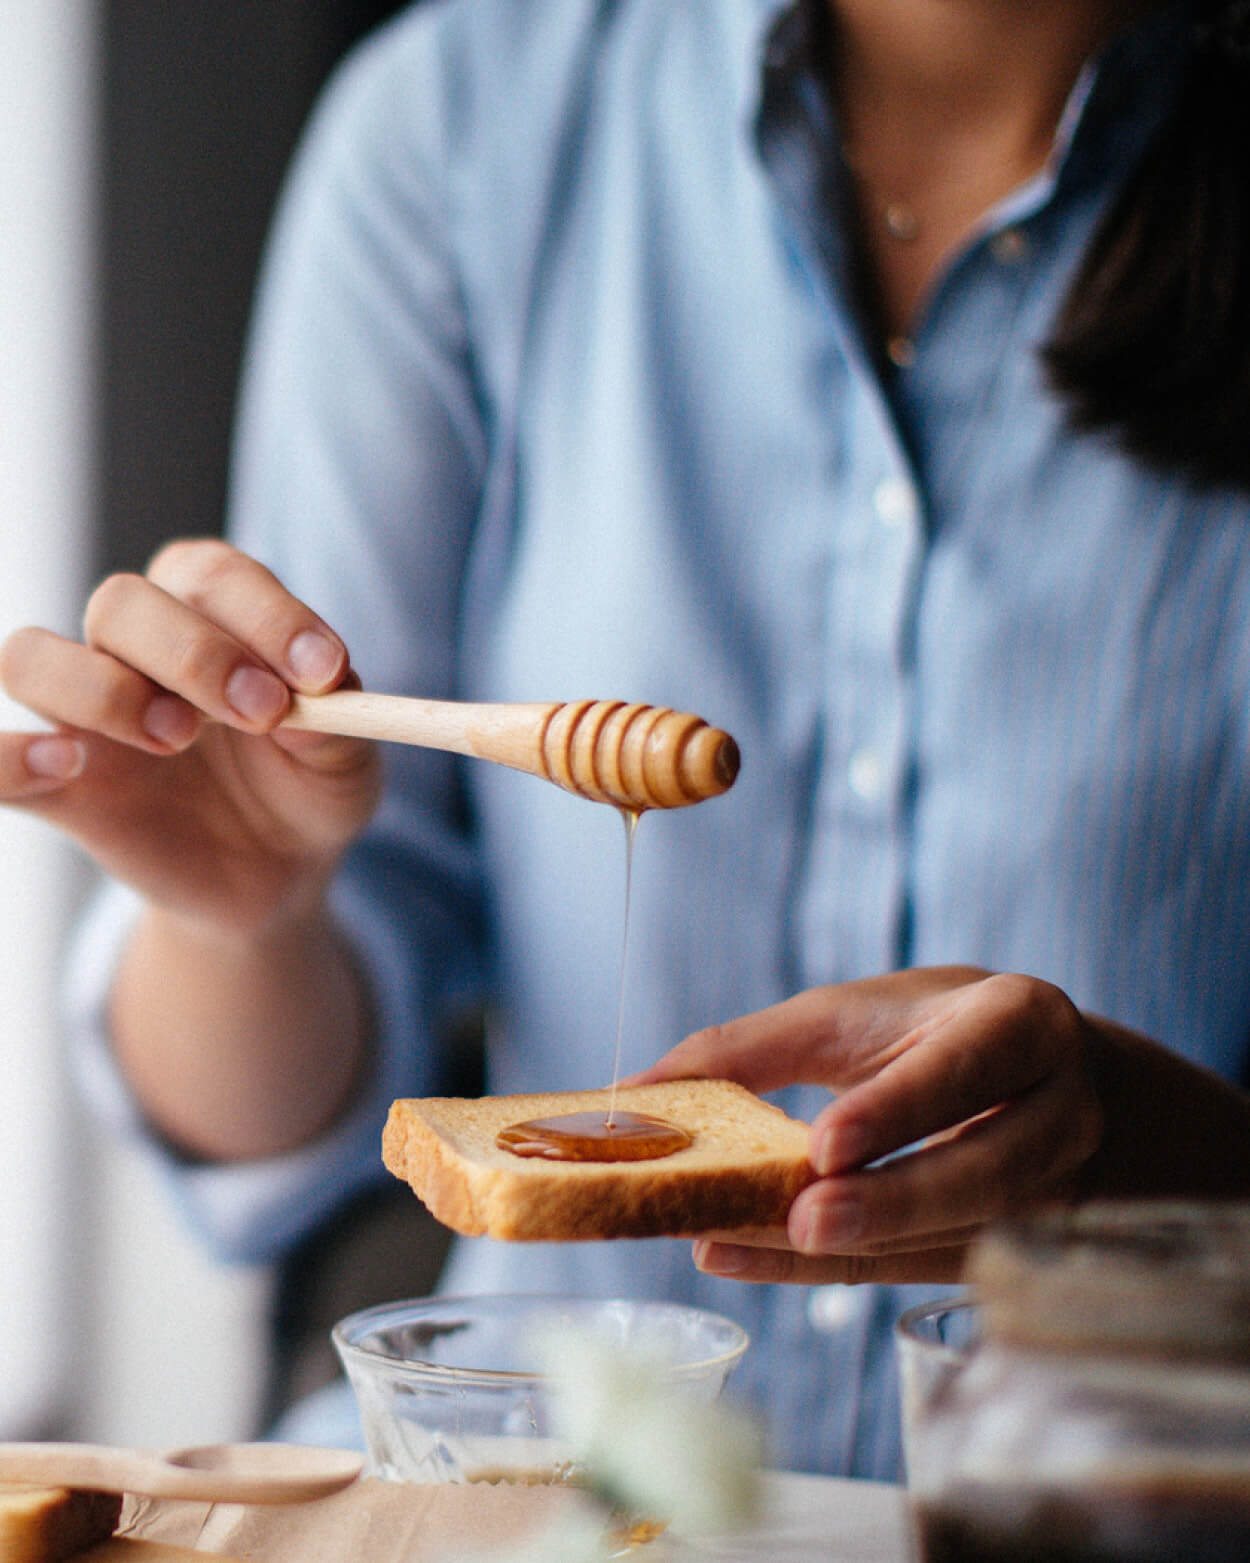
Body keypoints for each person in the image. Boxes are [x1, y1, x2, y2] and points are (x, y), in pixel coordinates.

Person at [3, 0, 1250, 1480]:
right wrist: (242, 916)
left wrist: (1189, 1177)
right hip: (531, 1491)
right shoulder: (460, 126)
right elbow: (277, 1147)